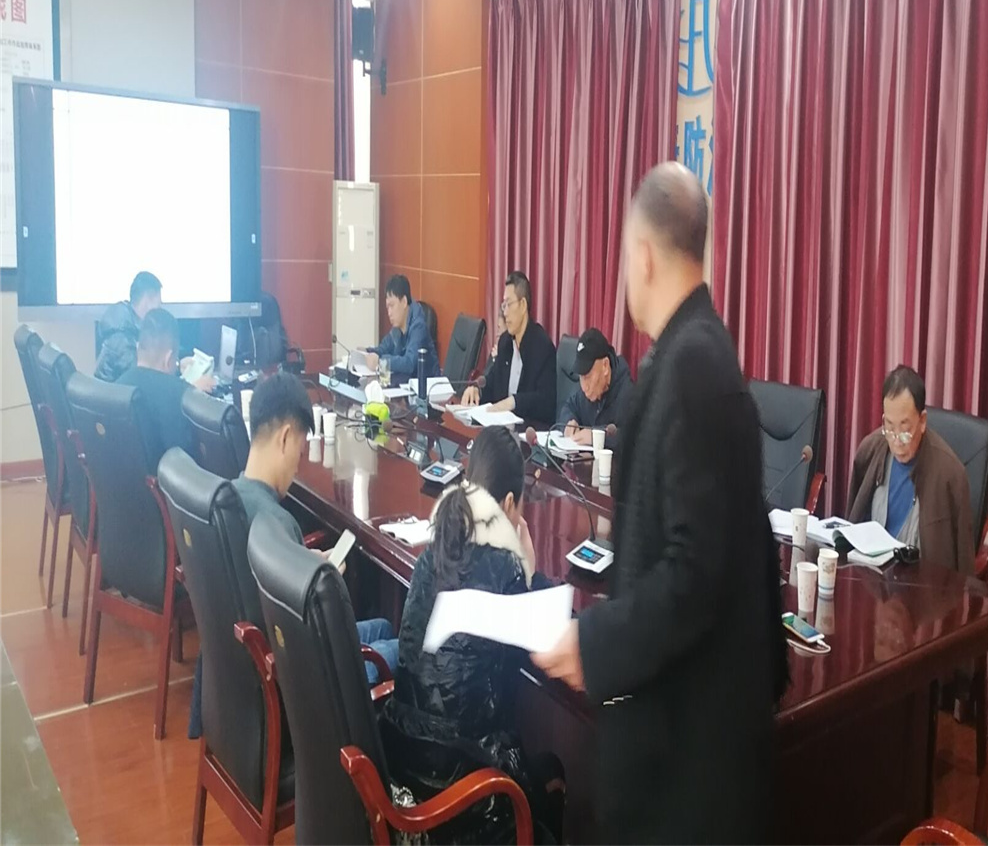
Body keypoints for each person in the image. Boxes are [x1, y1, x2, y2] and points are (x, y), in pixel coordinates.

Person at [532, 163, 783, 842]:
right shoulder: (691, 352)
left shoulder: (693, 367)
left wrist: (594, 640)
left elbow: (696, 571)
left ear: (642, 255)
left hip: (689, 764)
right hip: (682, 743)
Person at [189, 371, 399, 739]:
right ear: (286, 437)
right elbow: (308, 630)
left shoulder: (227, 500)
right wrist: (324, 581)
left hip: (237, 688)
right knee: (402, 653)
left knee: (381, 627)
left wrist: (304, 562)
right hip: (294, 688)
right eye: (300, 452)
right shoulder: (276, 522)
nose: (298, 466)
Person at [379, 426, 564, 842]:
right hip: (467, 799)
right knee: (551, 776)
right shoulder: (505, 570)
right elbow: (545, 640)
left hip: (407, 776)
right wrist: (529, 572)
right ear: (510, 504)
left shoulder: (434, 550)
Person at [845, 364, 974, 573]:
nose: (897, 442)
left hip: (923, 585)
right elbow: (853, 525)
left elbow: (964, 564)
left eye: (905, 432)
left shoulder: (950, 474)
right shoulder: (870, 451)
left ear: (922, 421)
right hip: (872, 579)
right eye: (889, 428)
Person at [116, 308, 212, 468]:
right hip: (167, 483)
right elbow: (191, 466)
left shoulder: (114, 388)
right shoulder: (180, 398)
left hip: (119, 482)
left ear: (138, 347)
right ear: (168, 358)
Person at [461, 271, 556, 425]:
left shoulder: (542, 346)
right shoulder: (505, 342)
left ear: (523, 305)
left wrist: (514, 402)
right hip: (501, 428)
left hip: (527, 431)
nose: (505, 313)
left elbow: (546, 402)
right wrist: (477, 390)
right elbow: (492, 382)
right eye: (503, 305)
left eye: (509, 305)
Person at [555, 327, 633, 449]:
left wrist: (596, 437)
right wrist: (569, 422)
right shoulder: (587, 392)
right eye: (581, 377)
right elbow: (569, 406)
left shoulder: (627, 394)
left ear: (605, 366)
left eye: (588, 376)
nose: (584, 386)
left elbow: (631, 439)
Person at [365, 275, 440, 377]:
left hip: (425, 384)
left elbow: (409, 363)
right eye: (387, 308)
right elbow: (384, 348)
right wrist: (366, 352)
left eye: (392, 306)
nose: (389, 313)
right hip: (405, 382)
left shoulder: (419, 327)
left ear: (404, 302)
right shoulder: (398, 327)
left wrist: (380, 361)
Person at [96, 271, 162, 382]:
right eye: (159, 304)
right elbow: (138, 375)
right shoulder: (120, 336)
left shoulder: (131, 325)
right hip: (112, 392)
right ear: (148, 299)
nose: (159, 309)